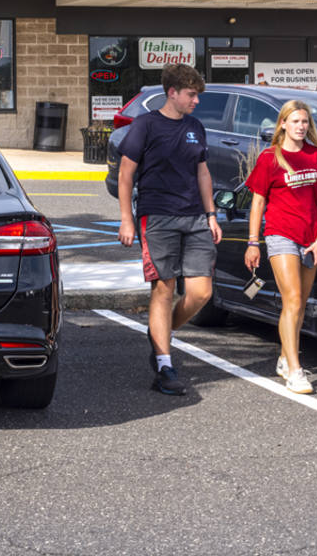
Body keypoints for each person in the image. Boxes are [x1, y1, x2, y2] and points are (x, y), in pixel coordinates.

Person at [117, 63, 222, 395]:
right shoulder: (145, 126)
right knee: (163, 290)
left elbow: (202, 172)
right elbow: (125, 175)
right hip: (157, 217)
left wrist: (211, 214)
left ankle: (159, 332)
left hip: (194, 218)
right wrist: (126, 219)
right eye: (192, 95)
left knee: (201, 293)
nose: (196, 101)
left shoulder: (195, 127)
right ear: (172, 92)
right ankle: (164, 365)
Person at [243, 99, 317, 394]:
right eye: (295, 121)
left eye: (305, 122)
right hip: (280, 234)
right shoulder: (270, 158)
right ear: (282, 124)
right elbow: (257, 202)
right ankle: (295, 370)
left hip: (310, 240)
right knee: (293, 299)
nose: (301, 127)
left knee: (298, 306)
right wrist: (253, 242)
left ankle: (285, 357)